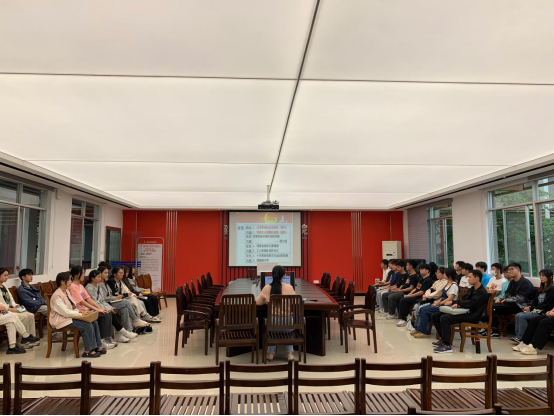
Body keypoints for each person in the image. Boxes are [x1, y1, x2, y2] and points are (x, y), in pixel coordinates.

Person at [431, 270, 489, 354]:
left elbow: (472, 303)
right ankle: (443, 339)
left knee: (445, 318)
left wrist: (455, 302)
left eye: (470, 277)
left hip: (472, 315)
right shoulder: (472, 289)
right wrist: (458, 304)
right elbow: (465, 300)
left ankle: (447, 345)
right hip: (464, 311)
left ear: (477, 278)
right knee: (436, 315)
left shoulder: (482, 292)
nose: (468, 279)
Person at [50, 272, 105, 358]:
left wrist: (81, 312)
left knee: (94, 322)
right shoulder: (57, 295)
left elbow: (73, 306)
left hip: (69, 317)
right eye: (69, 280)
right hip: (61, 320)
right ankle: (88, 351)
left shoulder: (66, 292)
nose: (71, 282)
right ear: (62, 282)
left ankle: (97, 346)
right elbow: (65, 312)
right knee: (86, 325)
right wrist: (79, 313)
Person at [68, 266, 117, 349]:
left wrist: (99, 308)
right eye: (82, 273)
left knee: (107, 312)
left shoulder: (80, 286)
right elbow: (82, 301)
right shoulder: (72, 286)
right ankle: (102, 340)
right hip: (80, 312)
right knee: (104, 315)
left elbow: (88, 298)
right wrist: (97, 309)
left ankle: (108, 338)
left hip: (87, 310)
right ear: (77, 275)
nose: (84, 275)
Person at [256, 265, 297, 362]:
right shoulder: (289, 287)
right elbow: (295, 302)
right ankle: (290, 354)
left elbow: (258, 302)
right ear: (284, 275)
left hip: (272, 325)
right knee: (287, 328)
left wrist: (267, 300)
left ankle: (270, 354)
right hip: (288, 324)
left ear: (272, 275)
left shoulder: (267, 288)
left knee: (273, 328)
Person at [85, 270, 138, 343]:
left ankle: (121, 334)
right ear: (92, 278)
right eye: (98, 277)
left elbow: (102, 300)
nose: (100, 278)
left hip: (103, 305)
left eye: (100, 277)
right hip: (94, 308)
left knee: (124, 309)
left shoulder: (99, 286)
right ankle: (120, 333)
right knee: (111, 313)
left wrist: (109, 307)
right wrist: (107, 308)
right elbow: (95, 302)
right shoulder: (89, 288)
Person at [95, 266, 149, 335]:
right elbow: (103, 298)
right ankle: (135, 320)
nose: (107, 275)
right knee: (126, 302)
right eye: (105, 273)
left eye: (107, 273)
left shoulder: (105, 283)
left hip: (111, 301)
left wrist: (116, 297)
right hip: (107, 303)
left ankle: (128, 330)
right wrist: (115, 298)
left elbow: (111, 294)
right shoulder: (100, 284)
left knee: (125, 309)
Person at [490, 262, 535, 338]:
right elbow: (507, 293)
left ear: (518, 270)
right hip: (512, 304)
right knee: (492, 306)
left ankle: (495, 331)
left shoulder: (525, 282)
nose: (509, 271)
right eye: (509, 269)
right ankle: (492, 329)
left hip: (522, 306)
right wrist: (501, 298)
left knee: (494, 307)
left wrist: (506, 300)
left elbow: (521, 298)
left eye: (512, 269)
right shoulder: (512, 282)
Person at [0, 268, 40, 354]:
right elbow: (2, 306)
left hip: (9, 310)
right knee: (18, 316)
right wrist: (14, 310)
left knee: (29, 314)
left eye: (7, 275)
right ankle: (25, 337)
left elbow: (11, 301)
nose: (7, 277)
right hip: (5, 311)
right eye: (5, 275)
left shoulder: (5, 287)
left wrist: (17, 306)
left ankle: (12, 346)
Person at [412, 267, 459, 339]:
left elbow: (449, 298)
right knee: (422, 308)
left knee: (425, 310)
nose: (444, 275)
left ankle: (423, 332)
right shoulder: (447, 284)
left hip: (448, 306)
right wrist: (437, 302)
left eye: (445, 274)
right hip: (442, 303)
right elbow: (442, 296)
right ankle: (417, 328)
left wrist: (439, 303)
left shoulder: (454, 285)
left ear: (449, 275)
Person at [511, 269, 554, 345]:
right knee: (518, 315)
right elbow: (535, 301)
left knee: (522, 317)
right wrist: (529, 307)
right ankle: (518, 336)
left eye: (543, 276)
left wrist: (531, 308)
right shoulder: (541, 289)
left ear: (550, 277)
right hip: (536, 309)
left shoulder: (552, 289)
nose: (541, 277)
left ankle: (522, 338)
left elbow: (546, 304)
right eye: (540, 276)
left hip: (543, 311)